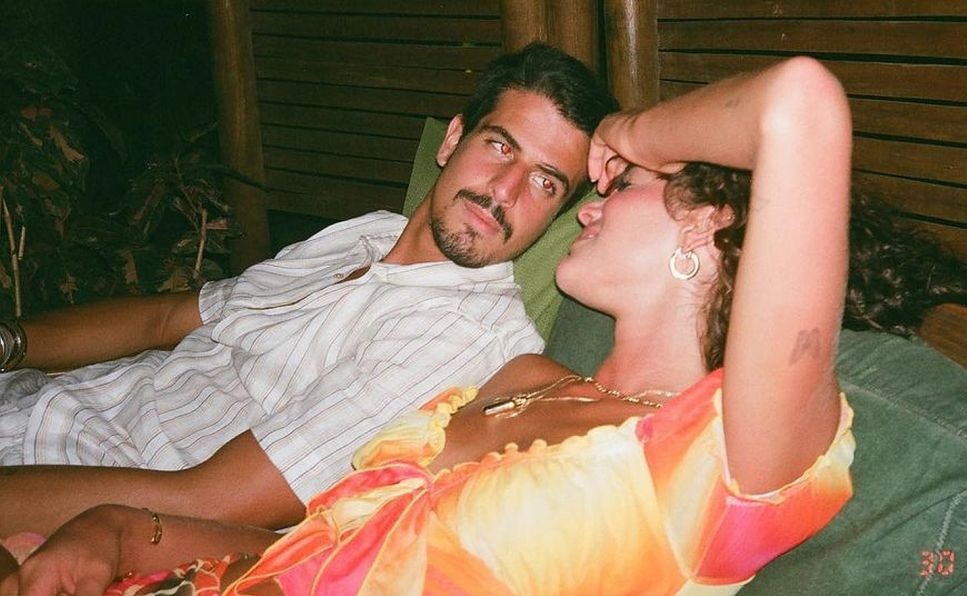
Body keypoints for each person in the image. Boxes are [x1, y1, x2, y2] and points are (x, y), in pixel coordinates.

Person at [0, 56, 858, 594]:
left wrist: (629, 131)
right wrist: (124, 531)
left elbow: (798, 104)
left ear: (704, 227)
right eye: (501, 148)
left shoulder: (730, 449)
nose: (586, 204)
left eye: (614, 183)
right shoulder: (522, 383)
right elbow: (314, 545)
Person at [0, 42, 619, 537]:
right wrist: (10, 343)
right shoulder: (367, 233)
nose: (505, 191)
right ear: (452, 139)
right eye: (499, 146)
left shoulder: (461, 337)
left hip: (75, 485)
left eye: (545, 183)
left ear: (557, 215)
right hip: (36, 403)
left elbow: (206, 502)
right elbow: (166, 319)